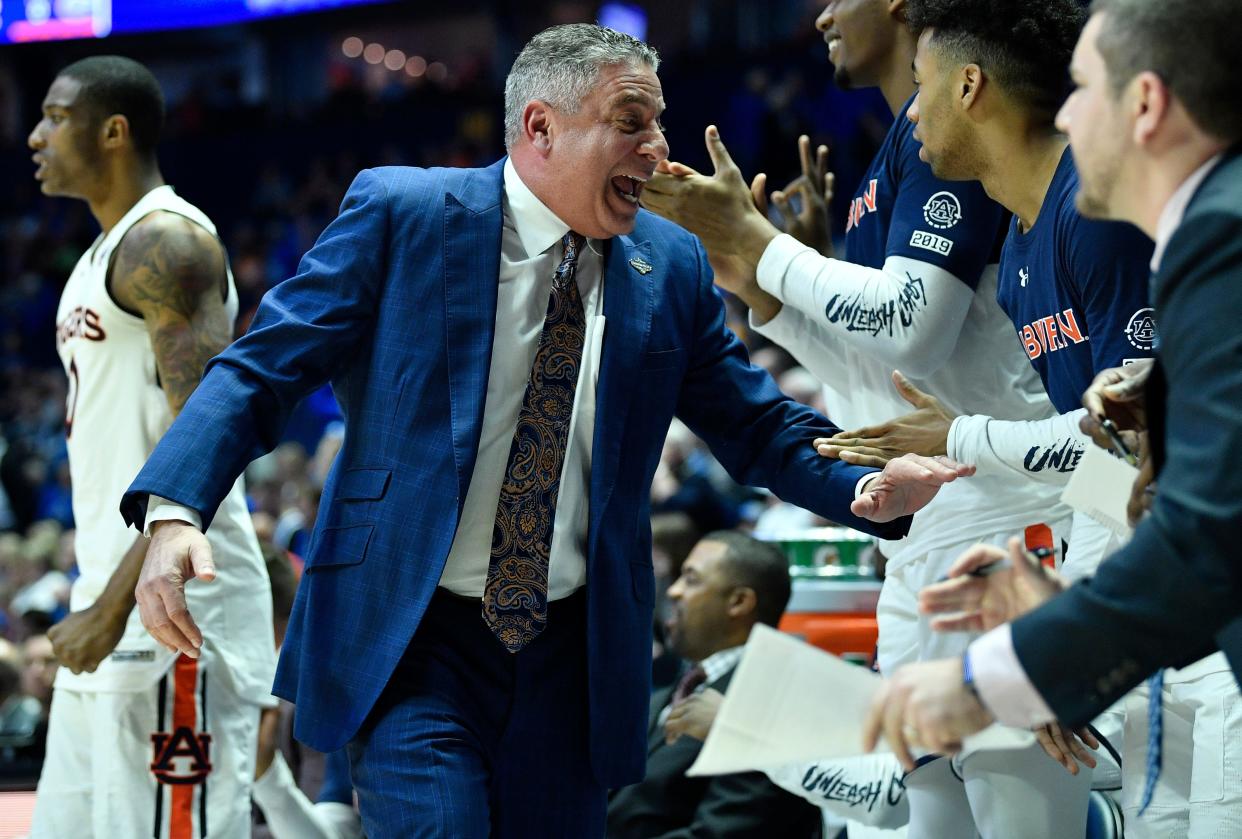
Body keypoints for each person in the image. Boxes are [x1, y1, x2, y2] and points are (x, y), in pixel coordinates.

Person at [119, 24, 969, 838]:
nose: (657, 147)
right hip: (413, 638)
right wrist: (175, 509)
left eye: (659, 123)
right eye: (631, 123)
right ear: (540, 129)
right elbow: (263, 365)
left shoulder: (667, 263)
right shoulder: (403, 212)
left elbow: (756, 422)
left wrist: (861, 486)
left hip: (574, 655)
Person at [641, 2, 1092, 835]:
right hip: (933, 528)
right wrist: (765, 283)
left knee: (1020, 810)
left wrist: (772, 250)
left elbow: (913, 331)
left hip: (1002, 518)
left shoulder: (962, 150)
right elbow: (882, 389)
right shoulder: (907, 149)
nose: (818, 15)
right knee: (921, 818)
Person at [862, 3, 1242, 836]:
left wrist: (1009, 671)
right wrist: (1064, 593)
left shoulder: (1203, 237)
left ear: (1143, 104)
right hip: (1173, 647)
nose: (1062, 113)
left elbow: (1198, 528)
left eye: (1079, 88)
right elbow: (1130, 477)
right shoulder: (1069, 246)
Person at [26, 55, 276, 837]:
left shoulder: (164, 244)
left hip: (174, 608)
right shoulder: (99, 257)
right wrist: (95, 590)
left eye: (55, 117)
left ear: (114, 130)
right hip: (111, 593)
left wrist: (111, 603)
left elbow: (205, 438)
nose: (34, 136)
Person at [607, 531, 822, 838]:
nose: (674, 592)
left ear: (739, 602)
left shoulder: (775, 702)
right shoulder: (676, 689)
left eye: (691, 579)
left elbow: (723, 833)